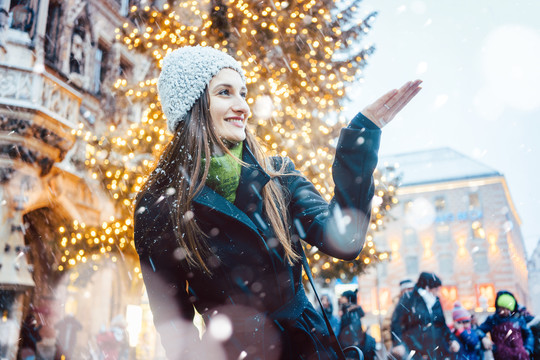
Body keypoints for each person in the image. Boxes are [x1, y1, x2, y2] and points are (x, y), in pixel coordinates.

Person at [134, 45, 422, 360]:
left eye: (243, 93)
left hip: (309, 347)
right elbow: (174, 326)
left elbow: (346, 240)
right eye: (225, 92)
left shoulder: (277, 175)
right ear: (192, 106)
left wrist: (359, 140)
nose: (242, 105)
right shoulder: (160, 207)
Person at [391, 271, 460, 359]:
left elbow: (441, 324)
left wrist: (452, 339)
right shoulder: (409, 299)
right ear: (427, 288)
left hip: (437, 350)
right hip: (415, 349)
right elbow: (396, 322)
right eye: (436, 289)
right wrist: (398, 343)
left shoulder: (436, 301)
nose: (437, 292)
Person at [479, 291, 533, 360]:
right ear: (498, 308)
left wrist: (527, 349)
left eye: (507, 309)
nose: (505, 311)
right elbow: (479, 330)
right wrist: (484, 338)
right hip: (501, 357)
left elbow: (528, 335)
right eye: (502, 308)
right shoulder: (493, 320)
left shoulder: (518, 319)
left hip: (521, 357)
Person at [337, 290, 375, 360]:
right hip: (348, 345)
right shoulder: (347, 310)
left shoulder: (352, 312)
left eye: (343, 297)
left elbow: (354, 330)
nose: (341, 298)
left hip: (351, 347)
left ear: (348, 298)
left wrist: (352, 346)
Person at [382, 278, 414, 356]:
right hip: (401, 347)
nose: (411, 291)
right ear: (402, 290)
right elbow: (386, 327)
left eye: (412, 289)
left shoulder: (414, 303)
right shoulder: (396, 305)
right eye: (408, 289)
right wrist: (391, 346)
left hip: (412, 345)